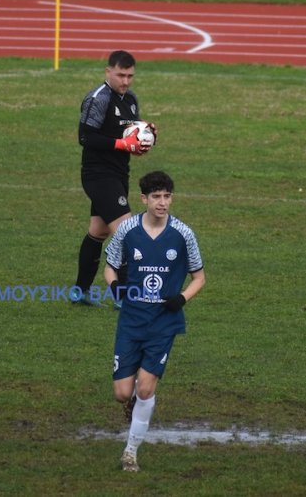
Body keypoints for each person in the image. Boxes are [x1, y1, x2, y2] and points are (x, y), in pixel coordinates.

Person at [103, 170, 206, 472]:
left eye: (167, 196)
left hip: (164, 323)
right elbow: (109, 267)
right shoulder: (127, 231)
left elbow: (199, 277)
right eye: (156, 197)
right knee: (123, 393)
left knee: (145, 390)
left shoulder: (183, 235)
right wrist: (114, 287)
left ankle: (130, 452)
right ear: (144, 199)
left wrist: (183, 298)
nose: (163, 203)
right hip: (132, 320)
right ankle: (135, 401)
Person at [74, 50, 156, 307]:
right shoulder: (98, 99)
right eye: (121, 75)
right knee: (127, 232)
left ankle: (80, 291)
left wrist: (146, 136)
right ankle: (124, 297)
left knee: (97, 232)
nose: (126, 81)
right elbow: (85, 137)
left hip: (120, 174)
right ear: (108, 71)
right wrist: (122, 144)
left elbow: (131, 134)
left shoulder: (130, 99)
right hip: (98, 175)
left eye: (130, 75)